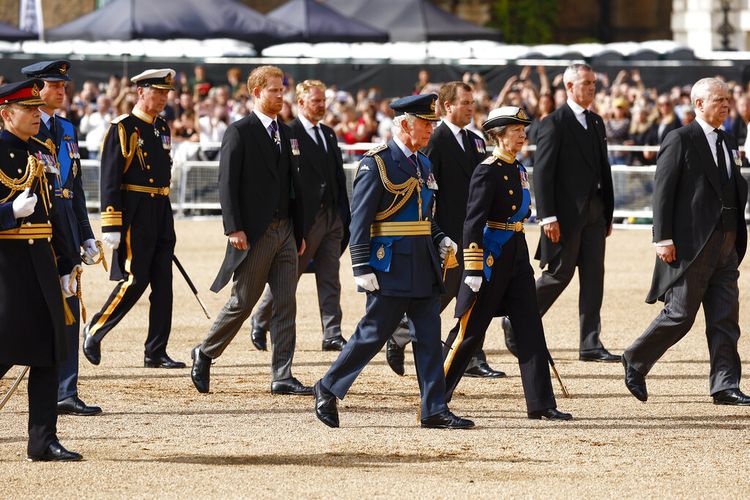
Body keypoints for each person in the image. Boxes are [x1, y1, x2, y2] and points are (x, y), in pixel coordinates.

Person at [312, 93, 473, 430]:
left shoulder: (423, 163)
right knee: (372, 334)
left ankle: (433, 408)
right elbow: (361, 218)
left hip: (424, 263)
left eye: (431, 123)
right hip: (391, 265)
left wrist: (441, 237)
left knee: (429, 338)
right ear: (404, 124)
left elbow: (426, 214)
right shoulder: (377, 163)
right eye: (424, 123)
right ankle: (327, 387)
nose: (430, 129)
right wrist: (360, 266)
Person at [623, 78, 750, 405]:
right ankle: (635, 359)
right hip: (692, 245)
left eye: (727, 99)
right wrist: (662, 237)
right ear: (698, 104)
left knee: (725, 318)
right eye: (718, 99)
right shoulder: (680, 138)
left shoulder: (728, 139)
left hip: (727, 241)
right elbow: (663, 190)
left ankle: (725, 385)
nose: (725, 104)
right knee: (680, 314)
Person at [442, 106, 572, 421]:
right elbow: (472, 222)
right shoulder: (487, 169)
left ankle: (541, 403)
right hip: (491, 257)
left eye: (523, 129)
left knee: (530, 326)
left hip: (516, 254)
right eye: (516, 130)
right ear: (500, 134)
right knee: (469, 332)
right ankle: (434, 398)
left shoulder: (518, 169)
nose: (523, 134)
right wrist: (473, 267)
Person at [190, 66, 310, 396]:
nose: (281, 94)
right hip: (255, 233)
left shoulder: (287, 134)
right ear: (256, 92)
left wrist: (299, 233)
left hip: (285, 231)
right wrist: (234, 228)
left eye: (282, 88)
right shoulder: (239, 132)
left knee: (286, 303)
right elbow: (226, 183)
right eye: (274, 89)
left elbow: (293, 186)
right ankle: (205, 352)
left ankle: (282, 375)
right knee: (242, 302)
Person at [385, 82, 505, 379]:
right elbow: (424, 188)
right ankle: (399, 333)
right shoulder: (435, 139)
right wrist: (433, 231)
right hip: (449, 230)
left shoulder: (476, 141)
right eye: (464, 102)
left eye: (471, 102)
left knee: (475, 294)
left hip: (475, 231)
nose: (470, 107)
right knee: (444, 292)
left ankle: (472, 356)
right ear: (447, 105)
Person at [503, 63, 619, 363]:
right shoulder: (554, 122)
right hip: (565, 216)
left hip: (595, 211)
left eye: (594, 83)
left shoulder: (596, 122)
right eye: (586, 83)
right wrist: (548, 216)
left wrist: (607, 212)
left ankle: (590, 343)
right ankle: (516, 318)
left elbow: (603, 168)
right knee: (558, 274)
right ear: (569, 86)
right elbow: (542, 172)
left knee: (594, 277)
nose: (592, 88)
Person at [0, 79, 82, 460]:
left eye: (37, 108)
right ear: (5, 114)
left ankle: (43, 440)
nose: (36, 114)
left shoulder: (43, 151)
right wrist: (7, 214)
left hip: (42, 262)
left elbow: (55, 211)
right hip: (7, 265)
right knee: (5, 347)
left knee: (49, 351)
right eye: (27, 109)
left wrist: (67, 263)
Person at [82, 69, 185, 369]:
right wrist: (111, 223)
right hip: (136, 210)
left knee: (163, 283)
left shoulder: (161, 127)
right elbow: (110, 178)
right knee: (134, 279)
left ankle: (156, 350)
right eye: (158, 92)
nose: (164, 98)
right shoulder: (123, 128)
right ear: (140, 92)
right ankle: (96, 329)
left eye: (166, 93)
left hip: (160, 208)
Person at [21, 60, 102, 416]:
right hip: (33, 229)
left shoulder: (66, 128)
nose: (61, 92)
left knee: (69, 310)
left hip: (66, 227)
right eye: (55, 85)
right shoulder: (22, 127)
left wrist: (85, 234)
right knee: (27, 314)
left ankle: (66, 391)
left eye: (64, 86)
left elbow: (75, 188)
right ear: (36, 88)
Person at [250, 79, 350, 352]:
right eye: (316, 101)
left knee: (330, 277)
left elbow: (337, 177)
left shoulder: (328, 134)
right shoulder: (289, 132)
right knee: (288, 275)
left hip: (332, 218)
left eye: (323, 100)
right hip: (306, 219)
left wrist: (342, 213)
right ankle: (260, 319)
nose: (321, 105)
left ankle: (332, 332)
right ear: (301, 102)